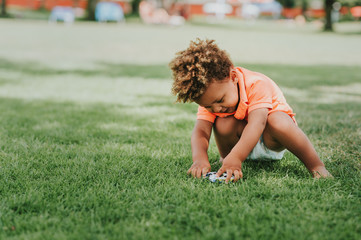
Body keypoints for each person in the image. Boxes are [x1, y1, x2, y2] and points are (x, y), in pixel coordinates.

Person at [169, 39, 332, 183]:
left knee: (277, 120)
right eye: (208, 107)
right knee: (222, 122)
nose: (216, 108)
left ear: (232, 77)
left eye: (220, 100)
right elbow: (201, 132)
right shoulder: (211, 97)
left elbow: (258, 123)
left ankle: (316, 166)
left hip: (270, 141)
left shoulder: (257, 83)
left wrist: (237, 157)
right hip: (237, 143)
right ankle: (226, 159)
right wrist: (200, 159)